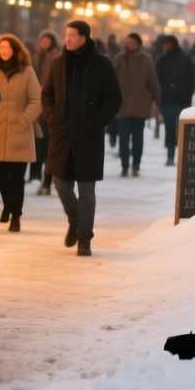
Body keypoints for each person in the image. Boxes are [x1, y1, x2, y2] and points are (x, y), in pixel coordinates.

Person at [40, 20, 122, 256]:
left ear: (84, 37)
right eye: (66, 35)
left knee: (86, 190)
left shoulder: (102, 64)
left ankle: (84, 237)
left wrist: (97, 122)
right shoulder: (58, 63)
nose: (68, 39)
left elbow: (114, 98)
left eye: (73, 35)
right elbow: (47, 95)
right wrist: (53, 118)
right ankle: (76, 220)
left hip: (88, 136)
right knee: (59, 182)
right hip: (62, 134)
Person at [0, 35, 41, 231]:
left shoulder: (27, 72)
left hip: (20, 130)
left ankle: (16, 215)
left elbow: (36, 99)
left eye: (8, 48)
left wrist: (25, 118)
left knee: (18, 177)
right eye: (1, 48)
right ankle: (8, 204)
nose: (4, 51)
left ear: (16, 50)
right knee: (0, 174)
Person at [111, 34, 162, 178]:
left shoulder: (146, 60)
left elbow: (153, 81)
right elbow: (111, 79)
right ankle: (125, 165)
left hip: (140, 106)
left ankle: (136, 165)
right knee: (124, 139)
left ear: (138, 44)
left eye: (133, 43)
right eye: (128, 42)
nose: (130, 45)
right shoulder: (119, 58)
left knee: (138, 138)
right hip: (123, 107)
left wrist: (157, 100)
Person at [154, 35, 195, 166]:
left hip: (181, 100)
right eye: (165, 44)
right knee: (169, 129)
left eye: (168, 44)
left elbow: (192, 78)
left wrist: (186, 92)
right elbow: (156, 79)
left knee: (182, 130)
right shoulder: (161, 60)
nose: (166, 46)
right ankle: (170, 155)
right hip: (167, 101)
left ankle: (182, 155)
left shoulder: (185, 59)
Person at [31, 31, 62, 193]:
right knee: (39, 145)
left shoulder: (57, 58)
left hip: (51, 105)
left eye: (47, 41)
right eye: (42, 40)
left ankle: (47, 181)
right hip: (37, 104)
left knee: (49, 145)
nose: (44, 43)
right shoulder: (35, 57)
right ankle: (39, 178)